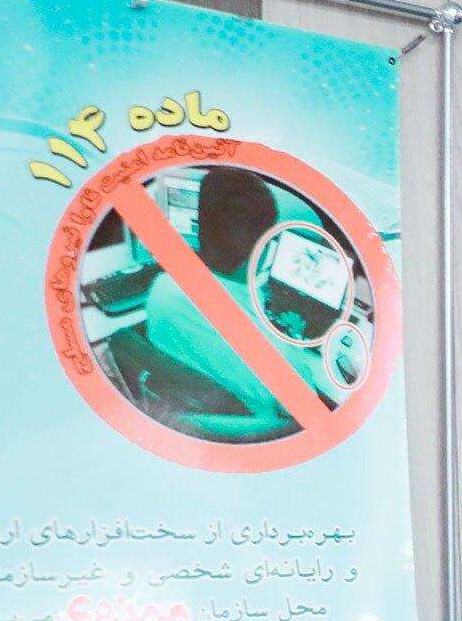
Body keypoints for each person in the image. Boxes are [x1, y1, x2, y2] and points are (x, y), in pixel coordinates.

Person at [143, 166, 336, 436]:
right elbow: (308, 411)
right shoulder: (279, 356)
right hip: (258, 429)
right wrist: (292, 340)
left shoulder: (161, 287)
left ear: (201, 227)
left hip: (194, 412)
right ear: (264, 244)